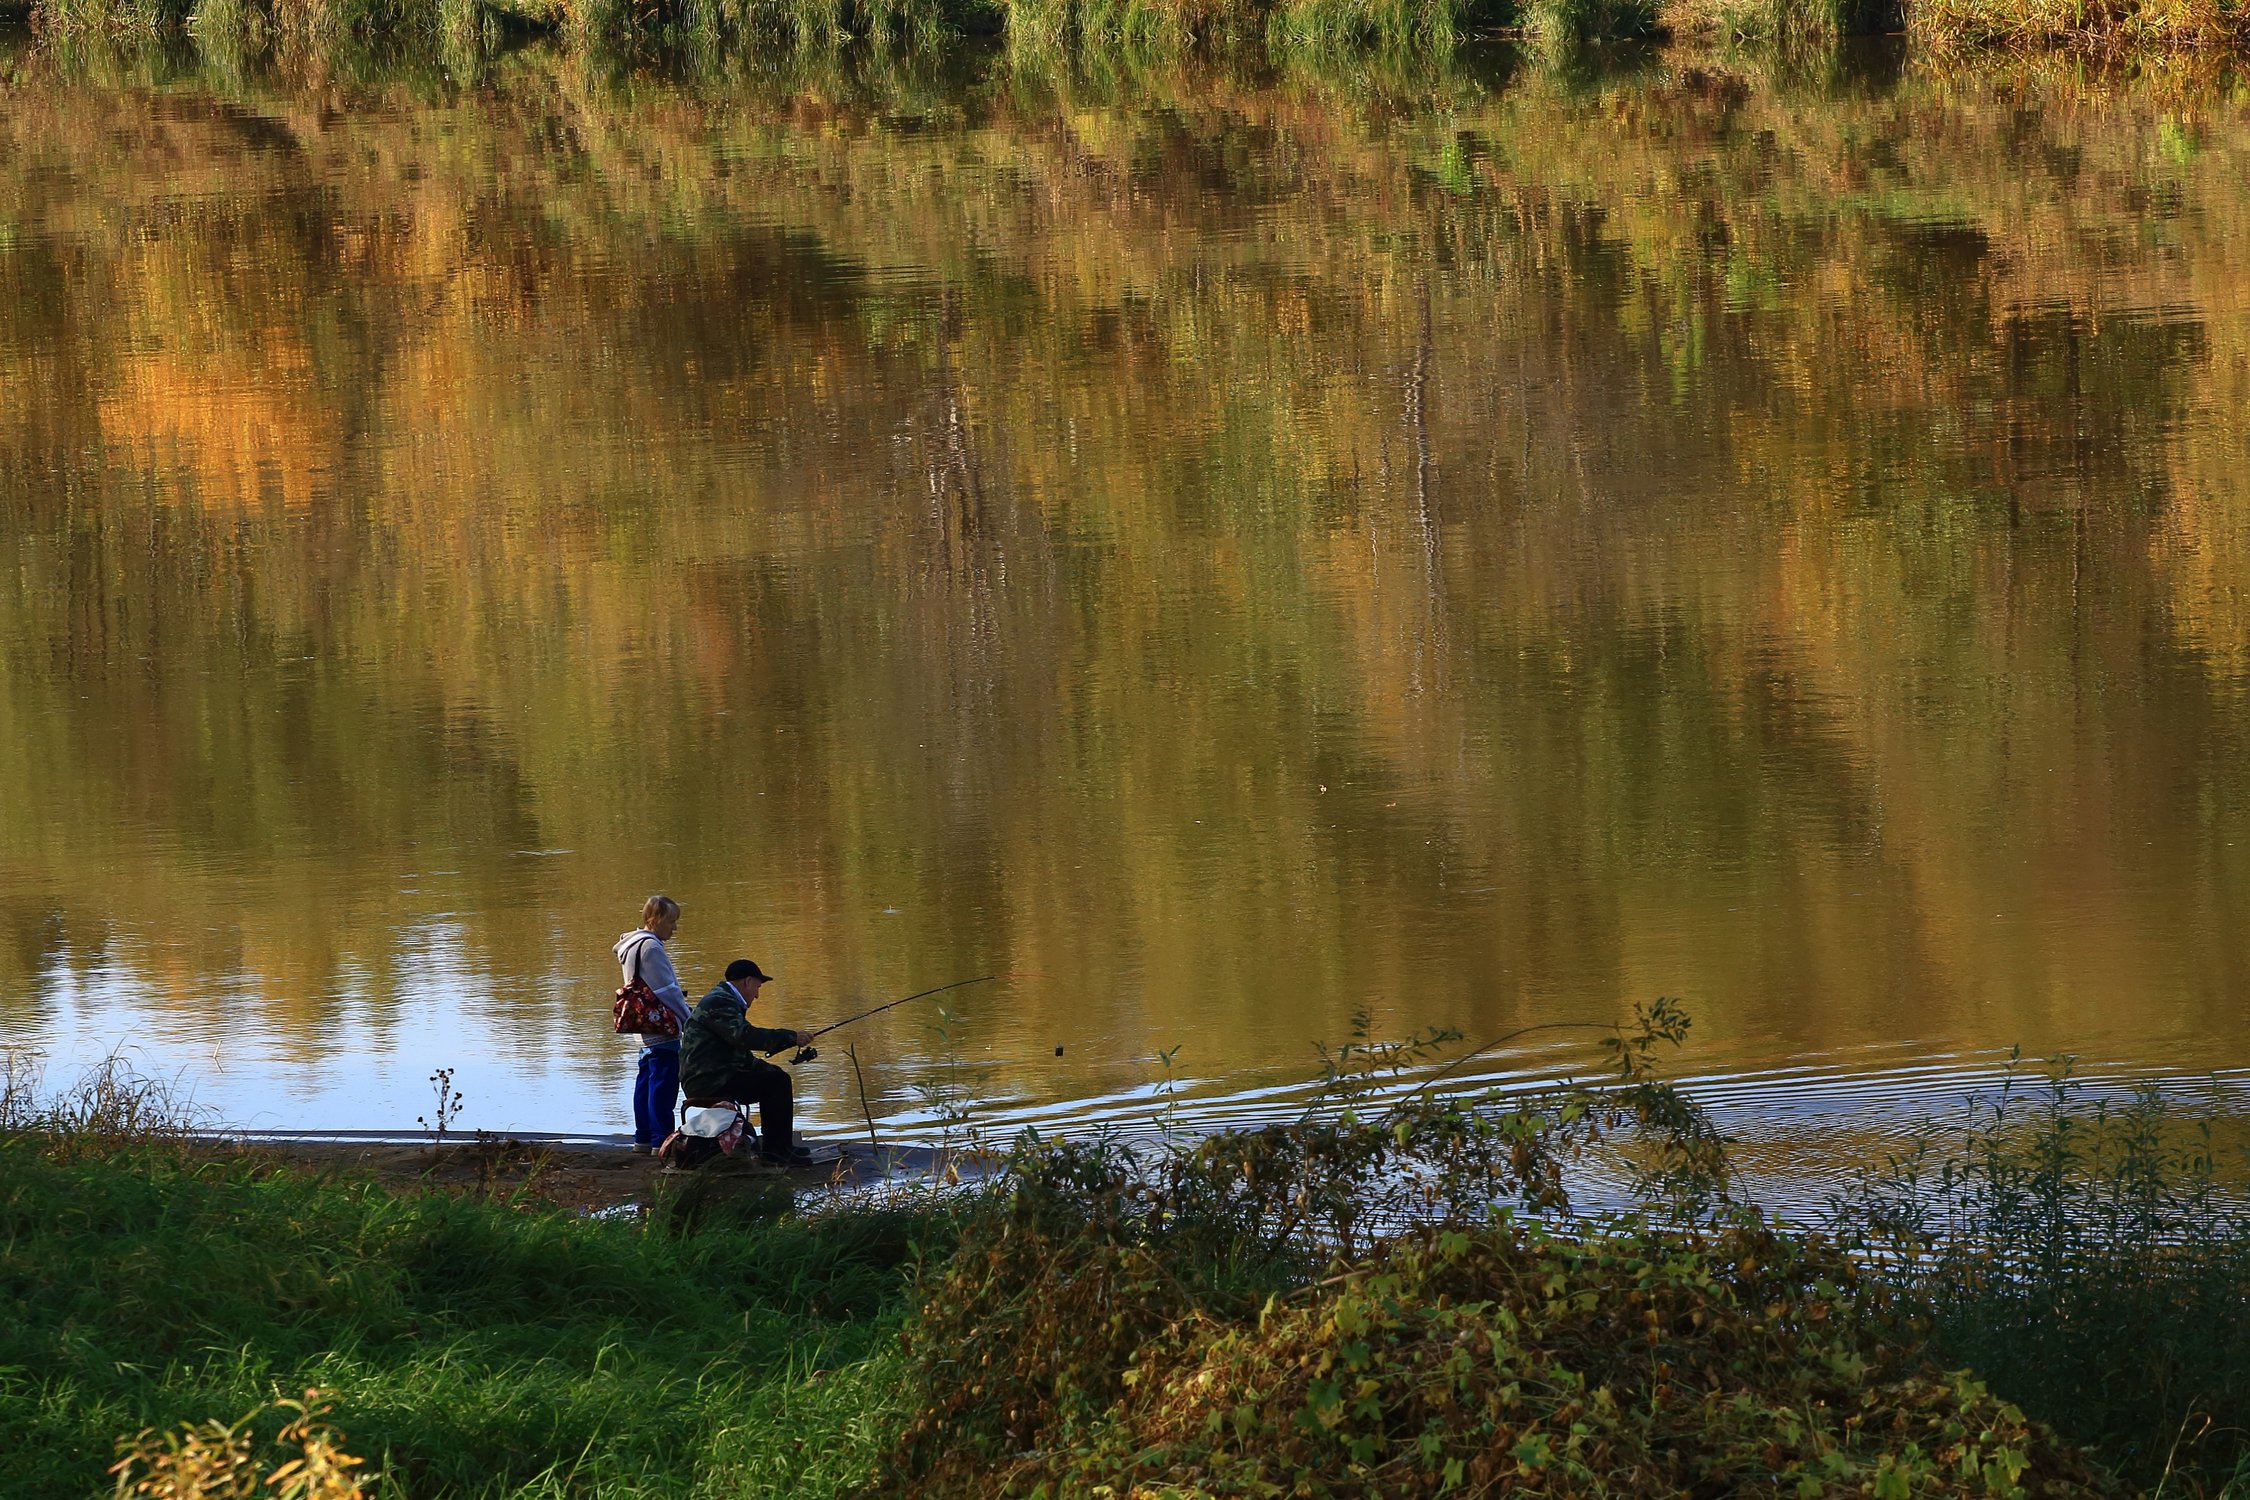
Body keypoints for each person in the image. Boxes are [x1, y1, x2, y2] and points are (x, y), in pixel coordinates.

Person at [679, 958, 816, 1165]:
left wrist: (768, 1068)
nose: (757, 995)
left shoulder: (724, 1000)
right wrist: (790, 1037)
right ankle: (776, 1152)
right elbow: (744, 1036)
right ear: (748, 981)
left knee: (776, 1076)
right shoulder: (720, 1002)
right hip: (707, 1080)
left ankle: (781, 1147)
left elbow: (737, 1051)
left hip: (715, 1073)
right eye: (758, 987)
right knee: (777, 1083)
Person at [614, 895, 693, 1155]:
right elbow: (666, 990)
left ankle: (643, 1138)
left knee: (646, 1083)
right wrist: (688, 1018)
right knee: (663, 1085)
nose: (675, 928)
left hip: (642, 1024)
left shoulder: (631, 945)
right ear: (654, 920)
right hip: (661, 1027)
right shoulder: (651, 948)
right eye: (671, 921)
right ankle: (662, 1141)